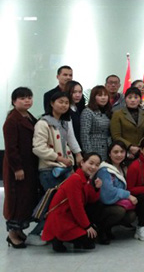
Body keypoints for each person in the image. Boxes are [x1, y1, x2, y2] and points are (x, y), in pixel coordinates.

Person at [42, 152, 102, 252]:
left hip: (69, 216)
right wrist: (87, 226)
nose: (93, 167)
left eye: (97, 165)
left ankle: (68, 238)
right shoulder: (75, 179)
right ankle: (57, 238)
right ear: (82, 163)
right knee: (89, 240)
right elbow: (77, 207)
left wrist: (96, 188)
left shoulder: (84, 178)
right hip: (61, 219)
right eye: (91, 163)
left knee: (91, 238)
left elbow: (91, 199)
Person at [3, 87, 38, 248]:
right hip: (17, 168)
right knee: (15, 200)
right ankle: (12, 234)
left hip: (29, 165)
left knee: (25, 199)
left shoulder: (28, 116)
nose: (27, 101)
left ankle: (19, 231)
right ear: (14, 101)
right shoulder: (12, 120)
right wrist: (17, 168)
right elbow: (11, 148)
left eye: (29, 97)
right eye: (22, 98)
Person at [33, 91, 83, 190]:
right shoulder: (43, 123)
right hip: (49, 169)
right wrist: (60, 158)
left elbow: (65, 145)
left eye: (66, 103)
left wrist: (70, 162)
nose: (64, 105)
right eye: (61, 102)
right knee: (53, 198)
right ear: (52, 103)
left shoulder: (64, 123)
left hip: (65, 167)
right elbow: (38, 148)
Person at [95, 141, 137, 244]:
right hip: (102, 206)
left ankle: (108, 228)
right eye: (115, 152)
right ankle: (101, 230)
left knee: (131, 215)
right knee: (119, 211)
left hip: (115, 203)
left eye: (122, 152)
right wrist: (128, 195)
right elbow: (107, 193)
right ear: (109, 154)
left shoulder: (123, 168)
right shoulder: (104, 170)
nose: (119, 155)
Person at [110, 87, 144, 160]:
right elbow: (116, 136)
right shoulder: (117, 114)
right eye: (129, 97)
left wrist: (140, 146)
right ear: (125, 99)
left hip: (142, 150)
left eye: (136, 97)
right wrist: (130, 147)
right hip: (123, 151)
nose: (133, 100)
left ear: (140, 99)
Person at [80, 85, 112, 161]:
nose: (103, 98)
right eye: (100, 95)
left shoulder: (108, 111)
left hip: (107, 147)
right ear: (93, 97)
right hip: (94, 148)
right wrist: (89, 153)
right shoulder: (88, 111)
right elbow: (84, 135)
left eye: (105, 95)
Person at [65, 80, 85, 145]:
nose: (78, 95)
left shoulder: (77, 108)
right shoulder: (66, 110)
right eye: (74, 92)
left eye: (80, 92)